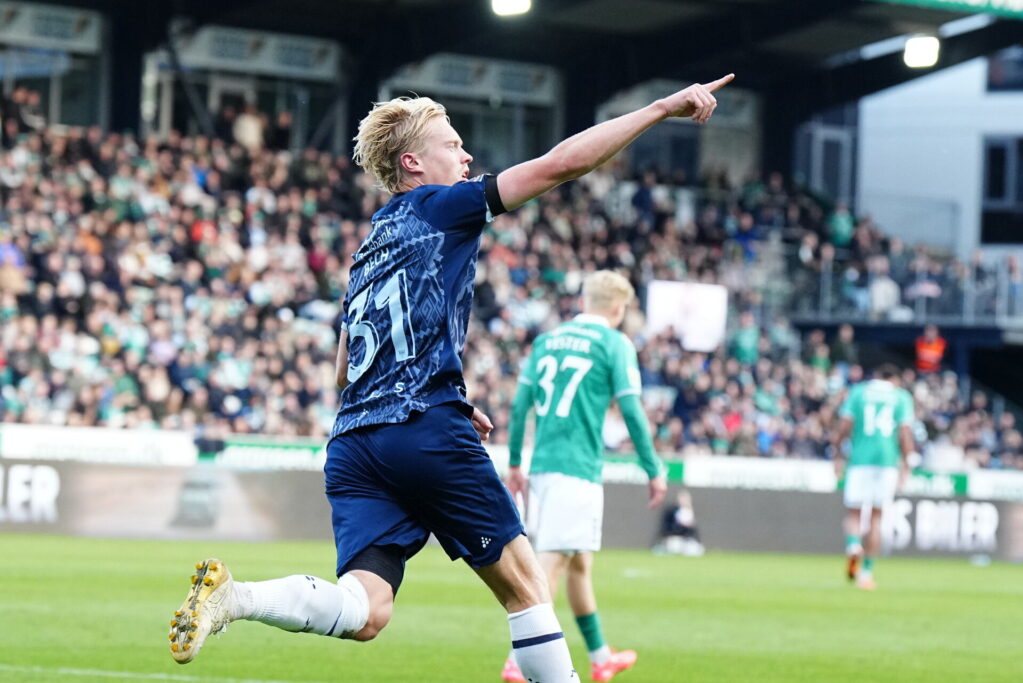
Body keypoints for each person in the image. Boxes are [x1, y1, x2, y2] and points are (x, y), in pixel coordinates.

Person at [168, 74, 733, 680]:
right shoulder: (441, 207)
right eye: (454, 146)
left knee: (365, 609)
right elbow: (560, 165)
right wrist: (659, 108)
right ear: (413, 162)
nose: (467, 157)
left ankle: (239, 599)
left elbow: (343, 370)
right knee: (526, 587)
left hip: (355, 444)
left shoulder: (369, 246)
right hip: (422, 430)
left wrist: (440, 392)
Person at [501, 270, 667, 682]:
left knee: (578, 564)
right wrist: (653, 468)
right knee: (552, 562)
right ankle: (517, 660)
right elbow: (631, 411)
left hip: (542, 467)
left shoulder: (546, 342)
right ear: (617, 307)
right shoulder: (614, 343)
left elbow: (521, 406)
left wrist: (517, 463)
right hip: (577, 469)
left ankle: (599, 656)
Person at [832, 364, 915, 590]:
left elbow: (845, 426)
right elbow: (905, 432)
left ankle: (852, 545)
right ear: (895, 379)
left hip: (859, 460)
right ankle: (866, 573)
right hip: (887, 462)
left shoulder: (859, 392)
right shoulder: (901, 397)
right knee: (876, 518)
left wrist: (837, 452)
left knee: (855, 514)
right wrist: (907, 464)